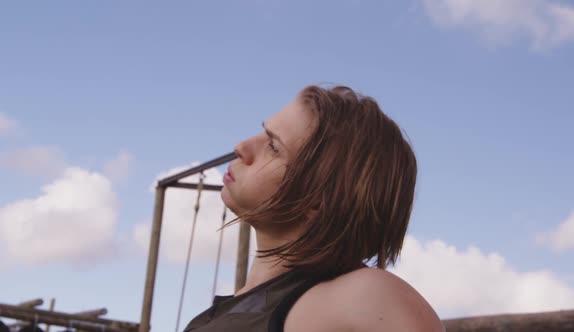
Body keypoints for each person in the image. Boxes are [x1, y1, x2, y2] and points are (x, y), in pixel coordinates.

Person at [184, 85, 444, 331]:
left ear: (319, 199)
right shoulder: (246, 305)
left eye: (274, 147)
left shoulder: (367, 296)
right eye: (263, 132)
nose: (241, 147)